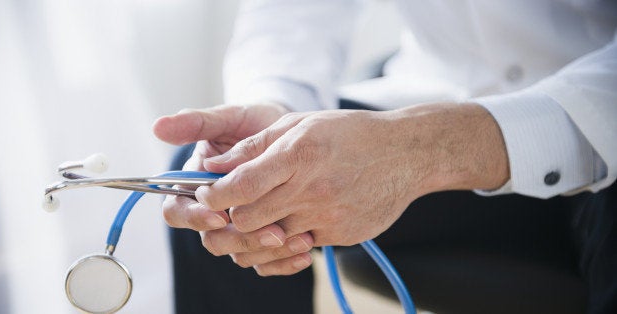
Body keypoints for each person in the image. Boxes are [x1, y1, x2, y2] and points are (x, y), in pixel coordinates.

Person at [152, 1, 617, 313]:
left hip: (600, 126)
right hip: (437, 91)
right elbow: (293, 17)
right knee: (217, 188)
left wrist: (421, 149)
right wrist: (275, 109)